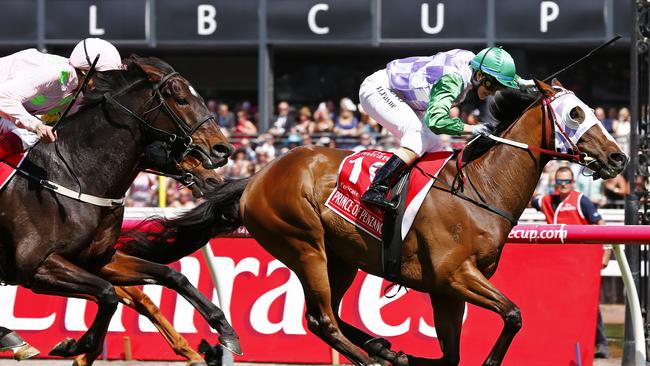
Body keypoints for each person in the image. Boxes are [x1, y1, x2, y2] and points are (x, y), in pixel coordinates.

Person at [358, 47, 523, 210]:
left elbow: (500, 71)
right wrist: (472, 129)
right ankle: (377, 188)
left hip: (403, 96)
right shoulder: (452, 80)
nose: (493, 93)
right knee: (416, 134)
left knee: (436, 145)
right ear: (479, 76)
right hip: (380, 89)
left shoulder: (475, 63)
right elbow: (436, 121)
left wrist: (522, 83)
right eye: (493, 87)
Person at [531, 166, 611, 359]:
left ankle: (600, 344)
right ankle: (559, 341)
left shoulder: (581, 200)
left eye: (566, 181)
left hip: (581, 263)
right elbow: (529, 197)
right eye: (559, 181)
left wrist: (606, 254)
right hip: (557, 263)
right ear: (555, 183)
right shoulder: (547, 201)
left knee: (588, 303)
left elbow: (601, 227)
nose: (563, 185)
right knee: (555, 302)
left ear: (573, 182)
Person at [0, 38, 122, 152]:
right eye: (102, 79)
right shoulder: (56, 73)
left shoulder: (78, 89)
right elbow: (3, 97)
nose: (103, 86)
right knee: (30, 136)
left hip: (6, 114)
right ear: (85, 71)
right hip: (3, 102)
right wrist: (37, 126)